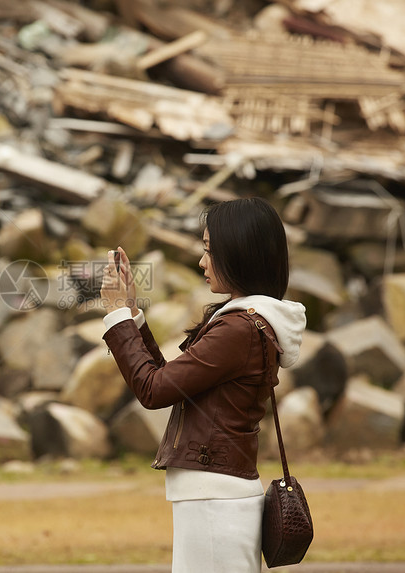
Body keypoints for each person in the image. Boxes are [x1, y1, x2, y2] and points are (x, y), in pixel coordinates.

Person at [99, 197, 307, 573]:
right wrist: (130, 313)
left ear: (238, 255)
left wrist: (116, 317)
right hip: (216, 496)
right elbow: (171, 383)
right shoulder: (246, 323)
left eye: (210, 251)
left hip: (215, 501)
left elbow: (153, 390)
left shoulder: (239, 328)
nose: (201, 262)